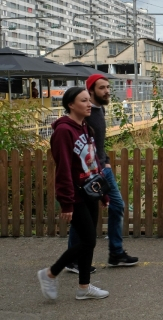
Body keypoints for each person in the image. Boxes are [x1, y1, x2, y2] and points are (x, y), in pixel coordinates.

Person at [37, 87, 109, 300]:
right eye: (84, 101)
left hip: (90, 191)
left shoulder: (85, 127)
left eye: (89, 100)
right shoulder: (63, 131)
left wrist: (102, 193)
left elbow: (94, 162)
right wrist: (66, 202)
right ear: (71, 104)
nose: (89, 104)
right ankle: (50, 274)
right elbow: (63, 168)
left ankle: (84, 287)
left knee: (90, 240)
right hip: (75, 195)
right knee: (87, 240)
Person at [65, 75, 138, 273]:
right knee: (94, 211)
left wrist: (104, 160)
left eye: (107, 87)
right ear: (90, 91)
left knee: (105, 209)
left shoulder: (99, 109)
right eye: (102, 88)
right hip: (92, 170)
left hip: (100, 167)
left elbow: (97, 142)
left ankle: (113, 252)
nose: (107, 91)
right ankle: (104, 254)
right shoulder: (85, 113)